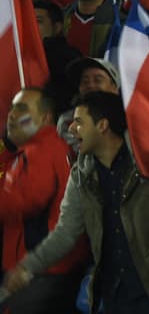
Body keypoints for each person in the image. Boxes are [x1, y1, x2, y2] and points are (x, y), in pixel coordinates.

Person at [3, 91, 149, 313]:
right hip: (113, 296)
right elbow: (66, 233)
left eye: (79, 122)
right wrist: (28, 267)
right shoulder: (81, 175)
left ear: (102, 125)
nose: (71, 129)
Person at [0, 87, 83, 312]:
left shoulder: (43, 151)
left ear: (46, 118)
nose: (12, 115)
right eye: (12, 108)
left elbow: (22, 200)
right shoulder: (29, 151)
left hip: (41, 271)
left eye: (22, 109)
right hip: (38, 270)